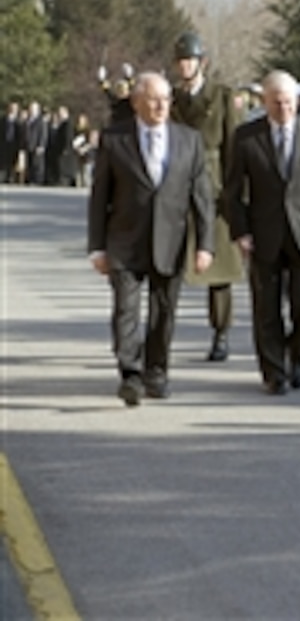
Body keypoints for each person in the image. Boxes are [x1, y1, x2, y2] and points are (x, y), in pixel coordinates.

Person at [87, 72, 216, 406]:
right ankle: (130, 374)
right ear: (136, 102)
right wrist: (97, 247)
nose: (161, 106)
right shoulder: (115, 140)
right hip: (124, 240)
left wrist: (205, 245)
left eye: (166, 99)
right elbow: (100, 196)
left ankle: (156, 372)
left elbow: (202, 198)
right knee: (125, 310)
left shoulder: (189, 140)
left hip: (170, 240)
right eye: (153, 99)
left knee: (164, 312)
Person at [224, 70, 300, 395]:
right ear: (265, 103)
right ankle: (274, 372)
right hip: (264, 234)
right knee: (266, 308)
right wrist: (240, 231)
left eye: (289, 102)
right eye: (277, 103)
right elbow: (232, 191)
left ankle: (297, 353)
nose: (284, 109)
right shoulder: (247, 137)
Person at [170, 31, 245, 362]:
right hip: (176, 190)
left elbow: (234, 149)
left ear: (203, 63)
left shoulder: (223, 97)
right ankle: (163, 332)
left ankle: (221, 332)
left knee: (219, 270)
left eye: (191, 60)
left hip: (214, 189)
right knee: (168, 264)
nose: (186, 66)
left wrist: (235, 195)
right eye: (181, 60)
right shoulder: (170, 100)